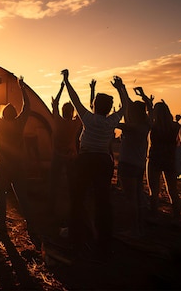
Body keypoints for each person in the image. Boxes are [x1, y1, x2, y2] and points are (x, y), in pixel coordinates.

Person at [62, 69, 128, 257]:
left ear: (94, 105)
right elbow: (125, 107)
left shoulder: (88, 119)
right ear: (108, 108)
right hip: (103, 161)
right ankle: (104, 238)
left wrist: (67, 80)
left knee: (78, 197)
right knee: (103, 201)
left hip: (86, 160)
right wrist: (121, 88)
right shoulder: (111, 121)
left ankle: (75, 235)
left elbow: (74, 98)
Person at [0, 76, 32, 235]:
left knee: (0, 194)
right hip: (18, 165)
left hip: (2, 166)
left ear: (4, 115)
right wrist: (22, 88)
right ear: (15, 114)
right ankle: (30, 222)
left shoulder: (0, 125)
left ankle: (1, 223)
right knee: (22, 195)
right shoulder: (20, 124)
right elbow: (27, 107)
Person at [138, 88, 181, 223]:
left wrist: (144, 97)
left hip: (154, 159)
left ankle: (154, 215)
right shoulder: (175, 126)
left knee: (154, 190)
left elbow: (149, 111)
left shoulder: (154, 125)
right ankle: (176, 218)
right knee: (173, 191)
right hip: (169, 159)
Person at [47, 81, 82, 231]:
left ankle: (52, 208)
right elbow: (82, 108)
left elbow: (55, 104)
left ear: (62, 111)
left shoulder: (57, 121)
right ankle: (72, 209)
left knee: (54, 182)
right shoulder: (75, 124)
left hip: (57, 155)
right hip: (71, 157)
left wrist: (61, 87)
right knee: (71, 184)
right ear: (72, 112)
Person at [116, 95, 151, 238]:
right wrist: (121, 90)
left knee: (131, 199)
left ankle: (134, 230)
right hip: (138, 164)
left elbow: (115, 122)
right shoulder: (146, 124)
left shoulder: (132, 127)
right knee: (137, 197)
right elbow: (150, 108)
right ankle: (139, 227)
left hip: (128, 165)